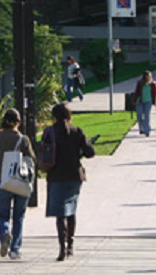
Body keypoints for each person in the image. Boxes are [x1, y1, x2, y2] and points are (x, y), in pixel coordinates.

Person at [42, 103, 96, 261]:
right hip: (74, 175)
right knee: (71, 210)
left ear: (54, 116)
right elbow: (90, 152)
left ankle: (61, 247)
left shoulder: (49, 132)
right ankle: (70, 245)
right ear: (69, 115)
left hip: (55, 175)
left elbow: (45, 152)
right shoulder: (76, 131)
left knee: (60, 214)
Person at [0, 108, 37, 262]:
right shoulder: (24, 140)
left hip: (4, 182)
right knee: (19, 216)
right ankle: (15, 249)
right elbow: (32, 160)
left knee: (3, 215)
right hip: (21, 182)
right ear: (18, 122)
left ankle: (5, 234)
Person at [134, 70, 156, 136]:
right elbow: (137, 92)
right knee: (139, 115)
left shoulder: (153, 84)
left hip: (148, 101)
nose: (149, 77)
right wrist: (134, 100)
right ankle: (141, 128)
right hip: (140, 101)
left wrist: (154, 102)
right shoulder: (140, 83)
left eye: (150, 76)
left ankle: (147, 131)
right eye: (148, 76)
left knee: (146, 116)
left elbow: (154, 93)